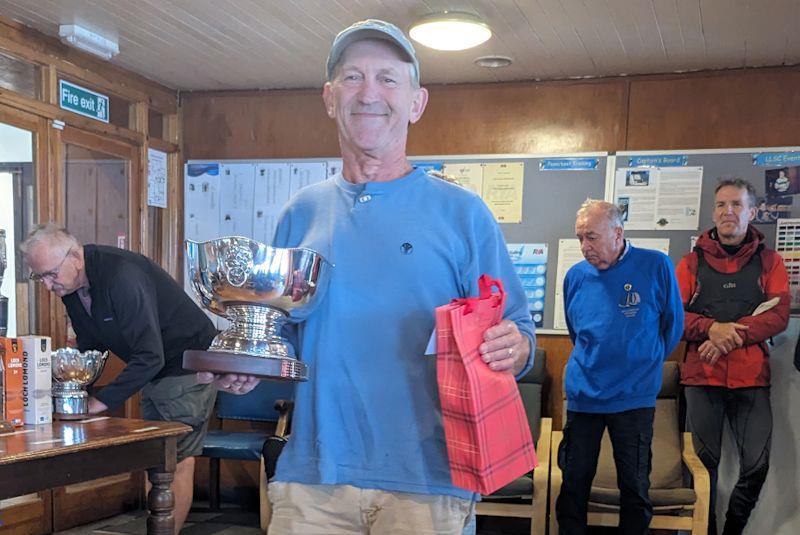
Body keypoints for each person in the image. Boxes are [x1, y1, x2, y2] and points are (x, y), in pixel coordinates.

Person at [201, 19, 536, 535]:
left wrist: (515, 348)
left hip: (430, 482)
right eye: (353, 78)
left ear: (416, 102)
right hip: (313, 477)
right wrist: (246, 364)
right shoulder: (301, 213)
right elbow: (282, 333)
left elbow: (517, 330)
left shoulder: (463, 213)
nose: (369, 94)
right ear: (330, 98)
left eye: (387, 79)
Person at [21, 224, 217, 534]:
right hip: (155, 368)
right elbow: (91, 346)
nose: (47, 286)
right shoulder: (70, 286)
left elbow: (150, 356)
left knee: (175, 461)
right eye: (39, 277)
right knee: (157, 459)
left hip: (186, 364)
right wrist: (71, 387)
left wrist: (99, 402)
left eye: (50, 274)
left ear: (75, 256)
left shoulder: (121, 276)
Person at [557, 199, 684, 535]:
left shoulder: (655, 266)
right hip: (585, 395)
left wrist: (639, 362)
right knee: (573, 483)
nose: (584, 247)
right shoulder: (575, 277)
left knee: (635, 486)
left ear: (617, 233)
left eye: (592, 237)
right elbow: (577, 331)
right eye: (580, 237)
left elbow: (672, 327)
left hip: (634, 397)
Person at [676, 177, 789, 535]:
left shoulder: (770, 261)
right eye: (722, 205)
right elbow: (672, 316)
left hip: (751, 378)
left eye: (737, 205)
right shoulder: (690, 263)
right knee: (701, 467)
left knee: (756, 465)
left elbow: (778, 313)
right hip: (701, 377)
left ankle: (732, 530)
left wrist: (728, 336)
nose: (729, 212)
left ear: (752, 212)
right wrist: (710, 328)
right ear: (713, 212)